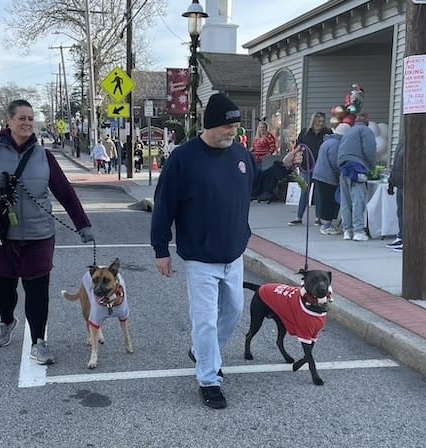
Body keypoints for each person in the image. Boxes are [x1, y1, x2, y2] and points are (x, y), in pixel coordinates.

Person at [150, 92, 302, 410]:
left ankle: (205, 352)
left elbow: (257, 185)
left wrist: (283, 167)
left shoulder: (240, 155)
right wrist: (160, 248)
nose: (232, 133)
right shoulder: (183, 158)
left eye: (234, 128)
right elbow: (164, 205)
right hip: (200, 257)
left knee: (232, 312)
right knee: (204, 320)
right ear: (209, 125)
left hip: (233, 254)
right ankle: (208, 378)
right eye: (226, 128)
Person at [0, 99, 94, 365]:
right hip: (2, 234)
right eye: (21, 118)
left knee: (37, 290)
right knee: (3, 288)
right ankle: (7, 320)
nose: (26, 123)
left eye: (30, 119)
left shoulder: (43, 156)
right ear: (9, 122)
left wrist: (82, 224)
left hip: (39, 234)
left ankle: (39, 341)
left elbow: (65, 192)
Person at [337, 113, 377, 241]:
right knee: (358, 200)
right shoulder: (366, 131)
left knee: (346, 201)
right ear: (367, 122)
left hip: (343, 168)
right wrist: (372, 167)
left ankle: (347, 230)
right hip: (357, 168)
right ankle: (358, 231)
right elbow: (370, 150)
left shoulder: (348, 132)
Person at [288, 112, 332, 226]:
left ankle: (318, 217)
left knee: (318, 193)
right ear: (313, 121)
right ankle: (298, 217)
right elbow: (298, 146)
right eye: (319, 121)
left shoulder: (327, 133)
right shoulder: (305, 132)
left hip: (321, 167)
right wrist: (296, 159)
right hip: (306, 166)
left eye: (323, 121)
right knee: (304, 191)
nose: (321, 123)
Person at [312, 123, 350, 235]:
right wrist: (340, 173)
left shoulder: (328, 141)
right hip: (327, 177)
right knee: (328, 201)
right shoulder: (336, 144)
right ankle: (326, 226)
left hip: (320, 175)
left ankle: (327, 224)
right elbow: (335, 162)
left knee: (324, 200)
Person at [386, 138, 404, 251]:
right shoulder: (402, 142)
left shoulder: (417, 143)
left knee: (407, 213)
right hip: (399, 182)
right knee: (401, 212)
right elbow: (396, 164)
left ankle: (408, 239)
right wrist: (391, 183)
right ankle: (401, 236)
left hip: (409, 182)